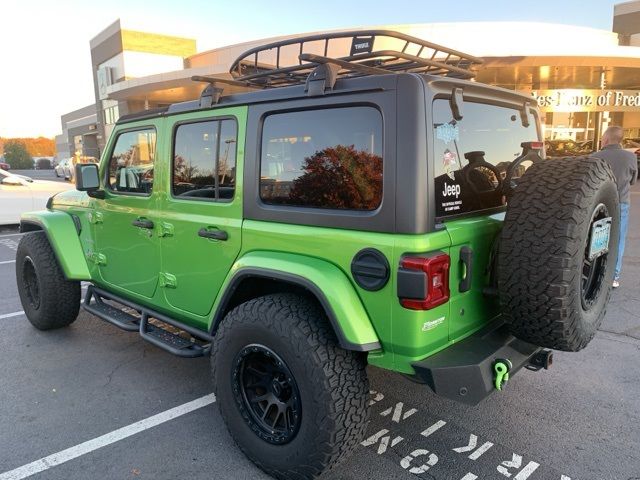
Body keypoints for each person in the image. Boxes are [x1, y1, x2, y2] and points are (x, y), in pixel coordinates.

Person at [592, 126, 638, 288]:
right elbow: (633, 181)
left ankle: (594, 272)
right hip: (621, 203)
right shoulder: (630, 157)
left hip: (598, 204)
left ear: (605, 139)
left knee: (596, 237)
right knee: (618, 239)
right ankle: (614, 276)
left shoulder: (595, 157)